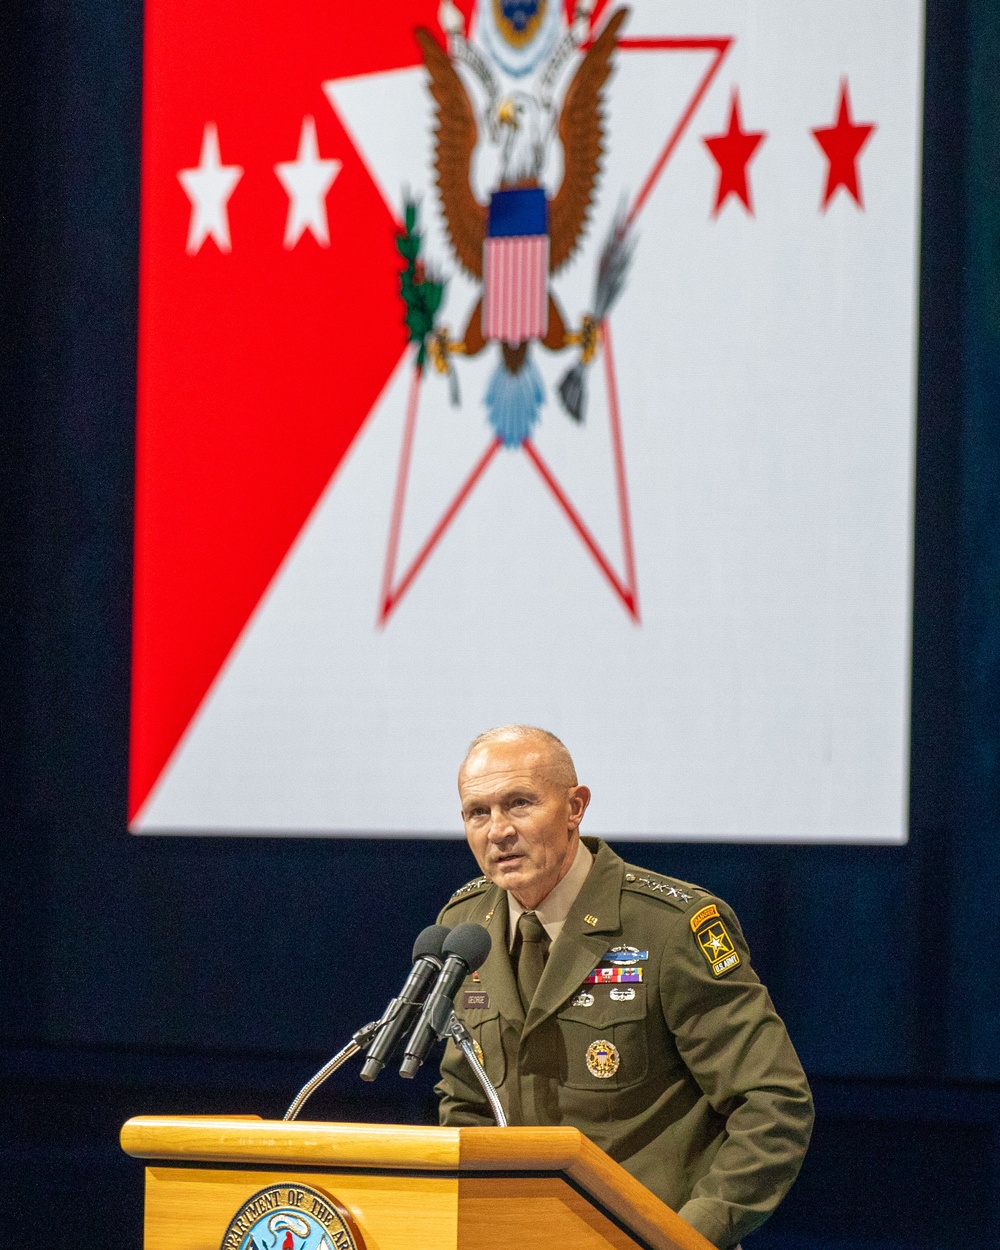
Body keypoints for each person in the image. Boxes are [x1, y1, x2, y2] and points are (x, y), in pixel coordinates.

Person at [435, 725, 814, 1250]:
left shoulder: (671, 926)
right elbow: (466, 1101)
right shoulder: (465, 928)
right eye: (479, 812)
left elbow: (773, 1102)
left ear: (575, 807)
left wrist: (687, 1235)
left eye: (519, 804)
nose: (498, 830)